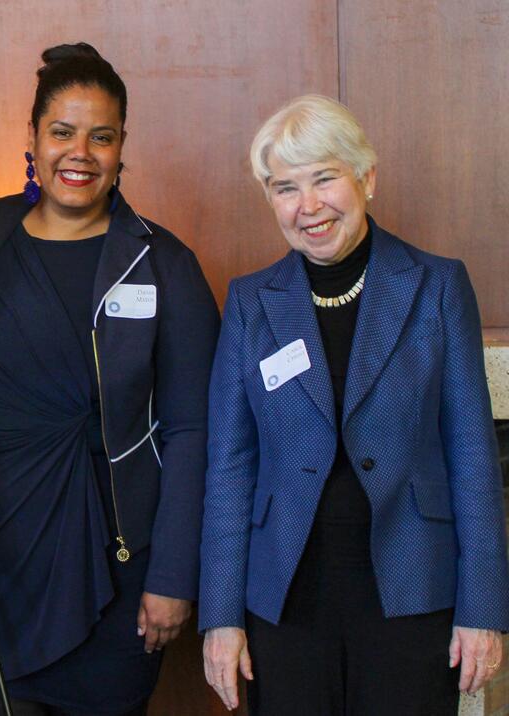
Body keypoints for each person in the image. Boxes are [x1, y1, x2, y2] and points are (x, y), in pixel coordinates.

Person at [0, 43, 220, 715]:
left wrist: (174, 576)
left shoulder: (162, 263)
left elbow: (193, 432)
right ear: (32, 139)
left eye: (102, 136)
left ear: (122, 148)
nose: (80, 152)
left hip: (120, 577)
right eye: (62, 132)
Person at [199, 94, 509, 715]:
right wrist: (221, 614)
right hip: (282, 601)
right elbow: (230, 471)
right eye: (285, 188)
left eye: (324, 179)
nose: (307, 206)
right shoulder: (251, 302)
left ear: (366, 177)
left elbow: (472, 459)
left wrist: (484, 608)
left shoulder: (436, 286)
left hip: (412, 592)